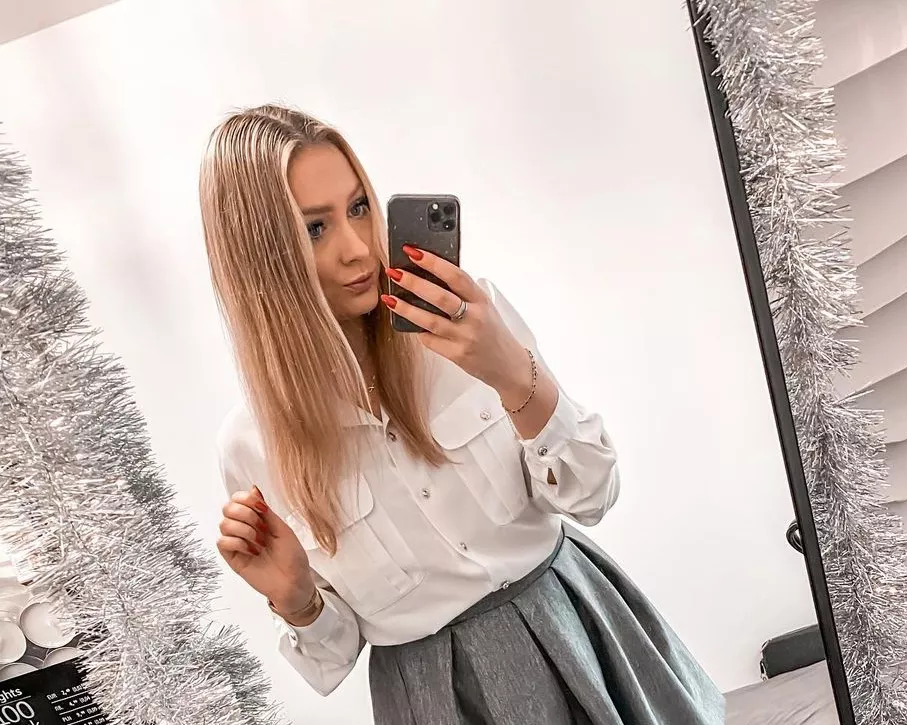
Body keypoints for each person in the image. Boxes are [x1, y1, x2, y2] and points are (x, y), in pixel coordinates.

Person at [203, 104, 726, 725]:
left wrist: (511, 372)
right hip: (434, 698)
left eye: (359, 207)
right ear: (260, 258)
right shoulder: (252, 445)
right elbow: (334, 656)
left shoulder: (469, 325)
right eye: (314, 228)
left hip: (574, 628)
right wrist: (295, 600)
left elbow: (592, 495)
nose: (357, 248)